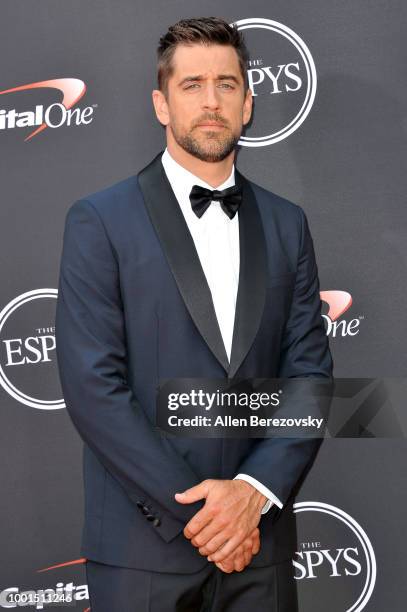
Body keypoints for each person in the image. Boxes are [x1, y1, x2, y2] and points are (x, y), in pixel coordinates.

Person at [55, 16, 333, 612]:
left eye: (227, 84)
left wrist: (251, 495)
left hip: (258, 546)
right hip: (142, 553)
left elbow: (308, 376)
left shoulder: (288, 225)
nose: (212, 102)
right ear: (162, 104)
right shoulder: (99, 221)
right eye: (192, 85)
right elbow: (92, 388)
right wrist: (208, 514)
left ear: (249, 103)